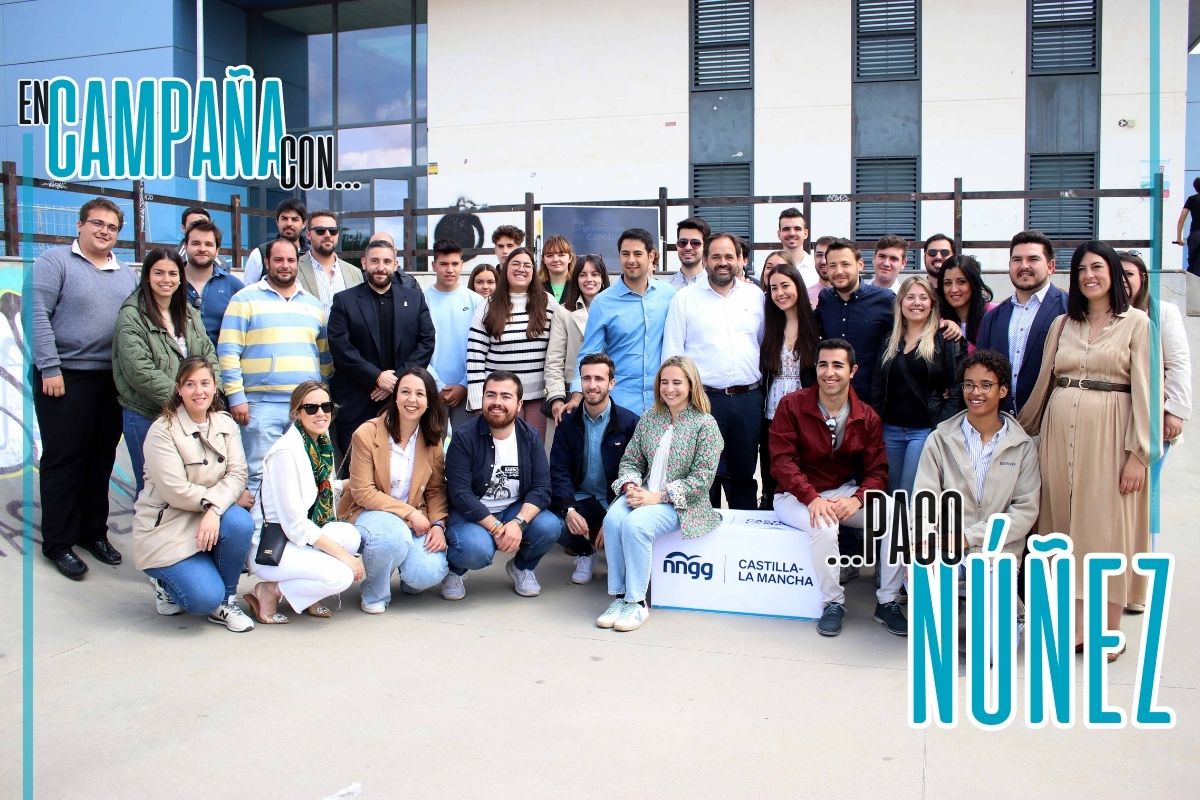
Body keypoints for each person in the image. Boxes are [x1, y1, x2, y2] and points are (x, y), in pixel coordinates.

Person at [1017, 241, 1152, 661]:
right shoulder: (1062, 323)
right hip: (1058, 434)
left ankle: (1108, 629)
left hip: (1111, 436)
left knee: (1104, 532)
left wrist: (1139, 453)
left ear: (1112, 272)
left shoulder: (1138, 323)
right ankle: (1070, 626)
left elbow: (1148, 390)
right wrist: (1021, 433)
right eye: (1081, 269)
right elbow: (1045, 381)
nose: (1089, 275)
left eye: (1097, 267)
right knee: (1059, 527)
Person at [32, 197, 139, 579]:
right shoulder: (54, 262)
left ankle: (93, 532)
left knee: (100, 459)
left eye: (112, 227)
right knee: (64, 459)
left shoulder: (126, 273)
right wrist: (49, 367)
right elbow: (37, 316)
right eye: (97, 223)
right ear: (80, 225)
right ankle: (58, 542)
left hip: (109, 379)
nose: (104, 231)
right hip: (64, 376)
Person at [771, 339, 902, 638]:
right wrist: (811, 498)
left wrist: (858, 499)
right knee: (825, 525)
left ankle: (888, 601)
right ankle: (833, 603)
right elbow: (782, 461)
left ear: (853, 371)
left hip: (842, 493)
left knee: (896, 513)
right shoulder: (792, 405)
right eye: (823, 364)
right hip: (794, 496)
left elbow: (878, 471)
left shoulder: (866, 416)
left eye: (838, 365)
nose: (829, 372)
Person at [913, 349, 1040, 656]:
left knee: (991, 655)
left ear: (1003, 390)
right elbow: (924, 498)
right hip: (945, 547)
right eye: (969, 384)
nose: (975, 392)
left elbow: (1025, 511)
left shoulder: (1022, 446)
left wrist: (971, 538)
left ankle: (1011, 616)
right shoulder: (940, 439)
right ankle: (951, 612)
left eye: (986, 385)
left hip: (996, 552)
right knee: (935, 649)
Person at [597, 356, 723, 632]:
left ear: (691, 385)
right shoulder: (651, 418)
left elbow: (702, 479)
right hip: (643, 493)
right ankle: (619, 596)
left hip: (682, 504)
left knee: (635, 525)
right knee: (612, 520)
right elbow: (631, 460)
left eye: (677, 382)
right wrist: (630, 485)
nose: (669, 389)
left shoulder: (705, 424)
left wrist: (658, 497)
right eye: (664, 382)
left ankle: (637, 602)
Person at [132, 356, 255, 632]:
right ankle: (166, 584)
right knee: (201, 599)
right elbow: (176, 491)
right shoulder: (162, 431)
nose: (198, 391)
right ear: (178, 389)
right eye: (190, 384)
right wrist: (217, 505)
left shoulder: (224, 423)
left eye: (204, 383)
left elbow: (237, 475)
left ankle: (226, 600)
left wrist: (214, 511)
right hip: (169, 526)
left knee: (239, 522)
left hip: (206, 517)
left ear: (214, 387)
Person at [245, 382, 364, 623]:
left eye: (326, 406)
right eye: (311, 408)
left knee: (350, 536)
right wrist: (345, 558)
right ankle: (270, 591)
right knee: (341, 575)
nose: (320, 413)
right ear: (296, 413)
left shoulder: (320, 445)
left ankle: (307, 595)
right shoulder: (286, 454)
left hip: (299, 539)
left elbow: (321, 488)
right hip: (274, 547)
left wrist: (352, 483)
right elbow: (295, 524)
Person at [663, 231, 765, 510]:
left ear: (740, 260)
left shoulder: (755, 296)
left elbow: (762, 344)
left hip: (748, 400)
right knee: (701, 479)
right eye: (716, 256)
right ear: (705, 260)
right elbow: (673, 355)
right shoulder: (685, 299)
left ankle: (743, 544)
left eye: (729, 256)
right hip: (703, 401)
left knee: (743, 476)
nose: (723, 262)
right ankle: (703, 544)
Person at [219, 238, 331, 494]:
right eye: (278, 260)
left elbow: (324, 357)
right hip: (260, 405)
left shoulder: (313, 305)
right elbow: (227, 352)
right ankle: (260, 532)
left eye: (291, 260)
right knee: (260, 472)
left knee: (304, 471)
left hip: (306, 407)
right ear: (267, 262)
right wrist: (236, 397)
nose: (285, 265)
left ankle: (300, 531)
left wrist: (322, 397)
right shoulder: (244, 300)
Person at [338, 368, 452, 613]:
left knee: (427, 573)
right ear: (396, 396)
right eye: (406, 392)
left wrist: (438, 525)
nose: (412, 400)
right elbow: (362, 492)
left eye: (420, 394)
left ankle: (406, 574)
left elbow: (435, 490)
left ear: (429, 401)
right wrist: (409, 513)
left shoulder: (432, 438)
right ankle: (374, 593)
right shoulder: (367, 433)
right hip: (368, 512)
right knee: (393, 536)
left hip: (415, 518)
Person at [442, 371, 561, 600]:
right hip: (471, 513)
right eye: (491, 395)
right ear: (483, 399)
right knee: (476, 549)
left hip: (512, 510)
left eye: (506, 396)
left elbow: (542, 488)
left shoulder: (529, 437)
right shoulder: (464, 437)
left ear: (519, 404)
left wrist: (517, 523)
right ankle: (455, 571)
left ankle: (522, 567)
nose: (497, 402)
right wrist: (496, 528)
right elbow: (460, 493)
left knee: (550, 526)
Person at [1117, 250, 1190, 612]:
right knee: (1119, 503)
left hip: (1153, 421)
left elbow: (1177, 363)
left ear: (1142, 277)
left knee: (1145, 503)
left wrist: (1174, 412)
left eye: (1129, 273)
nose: (1123, 280)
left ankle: (1139, 584)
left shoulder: (1162, 312)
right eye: (1118, 273)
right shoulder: (1107, 316)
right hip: (1115, 420)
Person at [114, 248, 219, 494]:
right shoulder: (131, 315)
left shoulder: (188, 312)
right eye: (159, 272)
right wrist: (183, 400)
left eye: (173, 273)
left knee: (188, 484)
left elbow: (208, 354)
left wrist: (213, 393)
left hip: (190, 412)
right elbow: (139, 370)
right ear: (147, 276)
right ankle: (151, 533)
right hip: (147, 414)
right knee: (153, 490)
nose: (166, 279)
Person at [327, 238, 435, 458]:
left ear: (395, 265)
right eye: (375, 261)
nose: (380, 267)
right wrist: (376, 377)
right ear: (364, 263)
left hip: (402, 402)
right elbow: (340, 347)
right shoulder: (344, 301)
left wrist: (395, 380)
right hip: (357, 401)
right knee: (356, 471)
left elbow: (426, 342)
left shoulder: (414, 299)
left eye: (387, 261)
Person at [549, 353, 639, 584]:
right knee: (552, 523)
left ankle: (614, 546)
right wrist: (568, 509)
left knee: (628, 526)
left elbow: (637, 474)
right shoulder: (567, 423)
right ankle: (584, 553)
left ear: (611, 383)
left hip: (614, 501)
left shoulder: (630, 423)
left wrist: (615, 517)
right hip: (581, 499)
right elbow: (559, 470)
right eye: (586, 378)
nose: (592, 385)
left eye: (599, 379)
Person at [871, 276, 963, 495]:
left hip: (923, 430)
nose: (916, 303)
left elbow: (957, 386)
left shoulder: (944, 338)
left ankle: (914, 530)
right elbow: (877, 385)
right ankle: (895, 531)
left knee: (912, 491)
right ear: (900, 302)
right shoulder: (889, 340)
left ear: (932, 304)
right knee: (892, 491)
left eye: (923, 297)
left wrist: (940, 426)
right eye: (910, 297)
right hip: (890, 429)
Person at [573, 228, 676, 415]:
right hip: (620, 404)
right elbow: (589, 354)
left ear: (651, 256)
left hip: (662, 403)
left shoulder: (668, 295)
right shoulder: (603, 302)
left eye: (638, 254)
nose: (631, 260)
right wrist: (577, 394)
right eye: (625, 254)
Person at [466, 246, 559, 439]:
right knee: (502, 453)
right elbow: (475, 356)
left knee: (532, 451)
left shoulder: (548, 303)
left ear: (534, 272)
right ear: (506, 269)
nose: (521, 269)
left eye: (527, 265)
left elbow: (559, 350)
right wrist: (478, 402)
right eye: (515, 264)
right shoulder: (488, 305)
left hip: (537, 397)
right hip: (500, 397)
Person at [976, 230, 1068, 414]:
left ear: (1051, 266)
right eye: (1017, 260)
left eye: (1033, 259)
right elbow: (981, 371)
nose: (1024, 265)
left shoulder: (1069, 309)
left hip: (1051, 421)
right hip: (1002, 423)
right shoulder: (993, 317)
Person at [759, 262, 819, 509]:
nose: (780, 293)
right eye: (773, 288)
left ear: (798, 286)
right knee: (773, 465)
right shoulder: (770, 326)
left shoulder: (816, 323)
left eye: (785, 285)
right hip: (772, 410)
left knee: (803, 467)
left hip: (805, 408)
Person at [543, 254, 610, 452]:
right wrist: (556, 398)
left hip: (607, 393)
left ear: (603, 278)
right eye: (583, 275)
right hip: (572, 395)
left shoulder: (616, 308)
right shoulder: (564, 312)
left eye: (595, 274)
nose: (589, 279)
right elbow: (554, 359)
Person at [814, 238, 895, 400]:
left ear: (860, 265)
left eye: (845, 264)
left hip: (872, 399)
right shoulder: (825, 298)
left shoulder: (885, 299)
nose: (839, 271)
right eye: (832, 265)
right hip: (832, 398)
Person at [425, 239, 486, 432]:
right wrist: (437, 385)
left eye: (454, 264)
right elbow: (416, 346)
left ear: (462, 265)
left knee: (467, 449)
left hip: (468, 390)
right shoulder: (420, 300)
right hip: (431, 390)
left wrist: (465, 384)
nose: (449, 269)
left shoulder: (477, 301)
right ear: (434, 265)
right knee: (431, 450)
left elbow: (483, 348)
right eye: (443, 264)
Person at [182, 220, 243, 349]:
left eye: (208, 244)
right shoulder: (169, 282)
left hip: (220, 365)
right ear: (186, 246)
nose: (202, 249)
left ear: (217, 250)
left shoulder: (234, 286)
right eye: (196, 243)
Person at [297, 210, 365, 317]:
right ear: (308, 235)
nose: (328, 235)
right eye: (320, 231)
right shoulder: (294, 269)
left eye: (333, 231)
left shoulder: (355, 273)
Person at [935, 254, 995, 354]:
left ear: (973, 283)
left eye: (961, 282)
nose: (954, 289)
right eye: (947, 283)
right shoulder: (937, 319)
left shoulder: (994, 314)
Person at [242, 198, 309, 283]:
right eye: (284, 218)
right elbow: (248, 291)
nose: (289, 223)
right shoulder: (260, 253)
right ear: (277, 222)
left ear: (304, 224)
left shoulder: (311, 254)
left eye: (295, 219)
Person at [777, 208, 820, 297]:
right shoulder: (765, 268)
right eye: (786, 229)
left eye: (797, 229)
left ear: (806, 233)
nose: (792, 233)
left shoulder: (817, 267)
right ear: (779, 234)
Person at [670, 216, 711, 290]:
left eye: (695, 243)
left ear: (705, 246)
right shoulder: (664, 287)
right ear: (677, 245)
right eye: (683, 242)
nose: (688, 247)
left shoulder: (714, 287)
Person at [1172, 176, 1200, 275]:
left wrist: (1179, 238)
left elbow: (1181, 220)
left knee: (1193, 266)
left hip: (1196, 236)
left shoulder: (1192, 199)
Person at [538, 234, 576, 302]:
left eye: (561, 255)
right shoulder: (535, 287)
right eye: (550, 255)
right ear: (543, 259)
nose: (555, 259)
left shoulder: (579, 285)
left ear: (570, 258)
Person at [811, 235, 835, 301]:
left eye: (829, 255)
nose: (823, 261)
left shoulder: (851, 294)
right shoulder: (805, 296)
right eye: (819, 255)